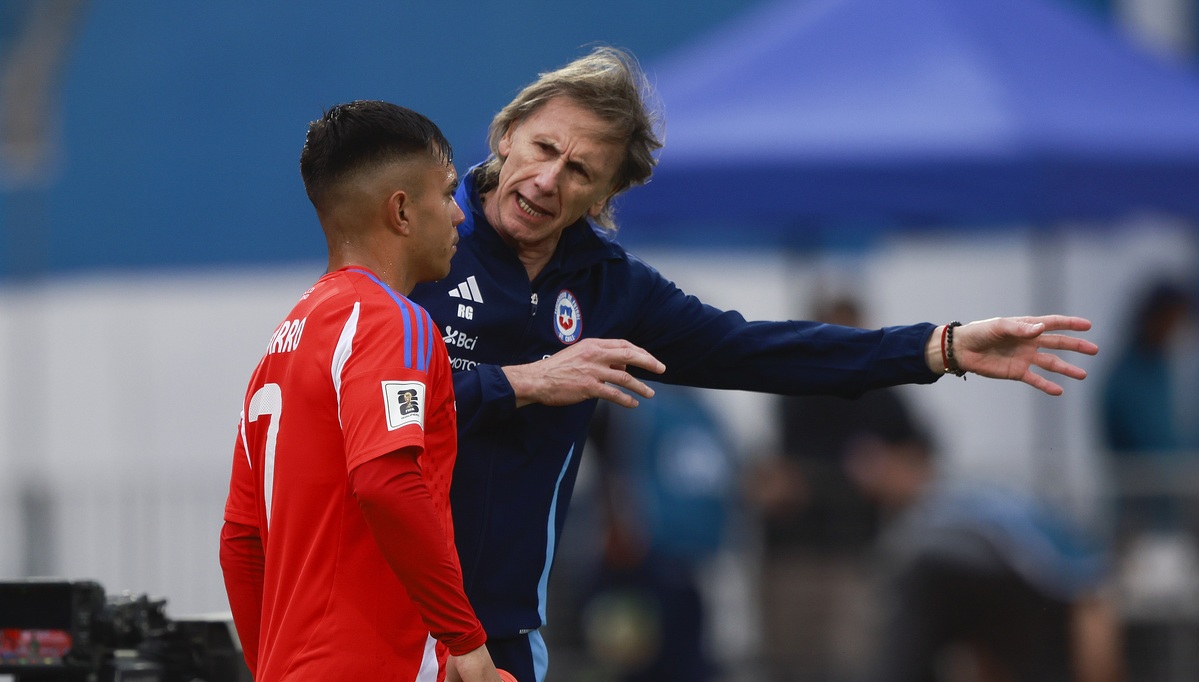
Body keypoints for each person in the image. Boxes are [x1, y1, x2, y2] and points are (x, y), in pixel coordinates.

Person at [408, 46, 1098, 681]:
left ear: (603, 195)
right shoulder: (418, 239)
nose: (549, 179)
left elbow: (761, 350)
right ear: (508, 134)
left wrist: (936, 348)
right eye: (543, 148)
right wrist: (522, 383)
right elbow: (364, 406)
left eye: (580, 170)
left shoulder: (610, 287)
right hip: (382, 607)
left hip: (501, 630)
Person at [219, 101, 505, 682]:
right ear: (400, 210)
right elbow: (386, 480)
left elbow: (241, 543)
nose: (460, 216)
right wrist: (465, 640)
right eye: (448, 192)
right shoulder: (391, 321)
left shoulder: (283, 343)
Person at [747, 294, 932, 682]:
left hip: (854, 556)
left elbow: (919, 470)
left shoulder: (885, 395)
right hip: (790, 556)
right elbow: (764, 474)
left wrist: (886, 473)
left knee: (853, 665)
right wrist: (771, 485)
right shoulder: (792, 388)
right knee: (785, 666)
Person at [846, 427, 1123, 682]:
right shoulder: (947, 509)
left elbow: (1080, 579)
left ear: (911, 458)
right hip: (1019, 592)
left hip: (1031, 587)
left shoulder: (955, 505)